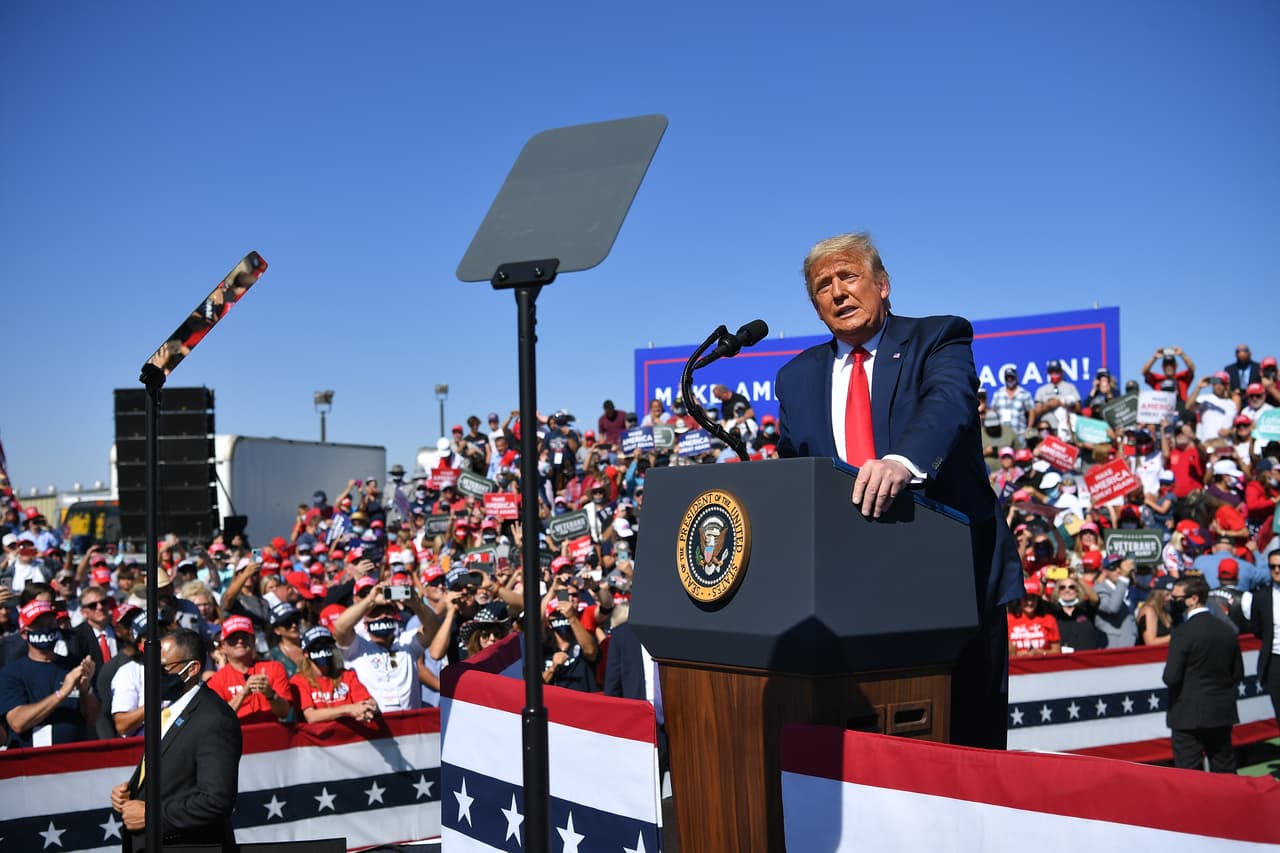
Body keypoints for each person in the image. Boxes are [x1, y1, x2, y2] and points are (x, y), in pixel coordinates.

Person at [775, 232, 1022, 749]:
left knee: (967, 744)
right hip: (849, 594)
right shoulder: (795, 377)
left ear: (882, 285)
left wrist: (900, 462)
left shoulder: (938, 338)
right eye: (824, 285)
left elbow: (948, 405)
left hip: (954, 579)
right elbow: (797, 470)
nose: (838, 292)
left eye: (849, 276)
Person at [111, 629, 242, 851]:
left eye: (162, 668)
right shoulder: (169, 708)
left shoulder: (215, 719)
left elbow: (216, 800)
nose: (152, 674)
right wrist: (130, 792)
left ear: (192, 669)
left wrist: (152, 816)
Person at [1162, 576, 1243, 772]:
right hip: (1221, 711)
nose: (1171, 602)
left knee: (1190, 774)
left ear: (1193, 599)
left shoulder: (1183, 633)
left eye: (1176, 598)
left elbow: (1170, 677)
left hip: (1188, 714)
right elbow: (1237, 673)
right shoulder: (1226, 630)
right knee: (1224, 768)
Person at [0, 599, 98, 747]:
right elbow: (17, 722)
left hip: (75, 759)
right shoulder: (12, 672)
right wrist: (61, 693)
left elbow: (93, 717)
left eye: (51, 624)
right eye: (38, 625)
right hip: (32, 762)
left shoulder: (74, 665)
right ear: (24, 633)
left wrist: (86, 690)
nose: (46, 629)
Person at [205, 615, 292, 724]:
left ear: (253, 640)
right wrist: (243, 693)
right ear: (223, 646)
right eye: (233, 638)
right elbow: (218, 720)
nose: (240, 641)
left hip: (271, 734)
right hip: (236, 737)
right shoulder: (216, 680)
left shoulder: (274, 668)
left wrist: (270, 694)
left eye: (244, 636)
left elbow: (284, 712)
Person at [1245, 551, 1280, 725]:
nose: (1276, 570)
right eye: (1272, 567)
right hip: (1274, 659)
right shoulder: (1261, 597)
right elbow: (1257, 629)